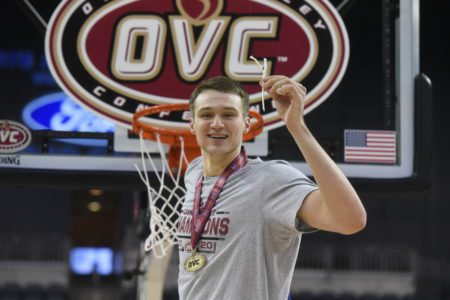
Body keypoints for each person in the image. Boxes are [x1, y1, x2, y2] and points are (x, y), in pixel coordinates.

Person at [176, 75, 367, 300]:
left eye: (229, 115)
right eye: (207, 114)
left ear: (246, 124)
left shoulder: (271, 181)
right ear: (192, 123)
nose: (217, 123)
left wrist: (297, 127)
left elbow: (351, 220)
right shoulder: (194, 173)